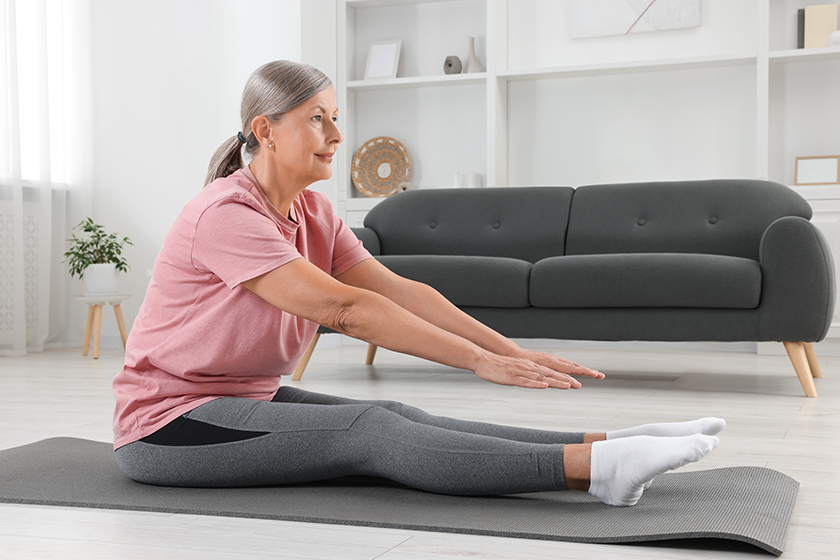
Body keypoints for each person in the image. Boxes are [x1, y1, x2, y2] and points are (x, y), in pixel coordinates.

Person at [113, 60, 722, 507]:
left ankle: (609, 442)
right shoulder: (225, 214)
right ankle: (597, 470)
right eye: (316, 119)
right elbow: (347, 310)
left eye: (334, 117)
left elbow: (402, 291)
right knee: (371, 433)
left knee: (393, 411)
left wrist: (506, 349)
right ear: (265, 130)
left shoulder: (316, 213)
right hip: (169, 425)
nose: (336, 135)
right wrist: (475, 364)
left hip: (246, 399)